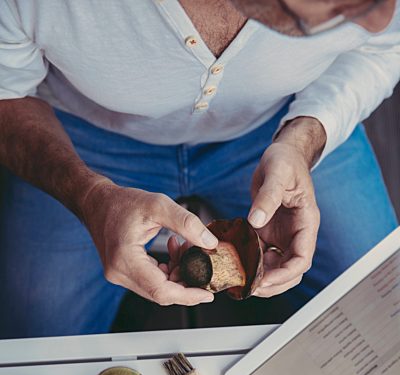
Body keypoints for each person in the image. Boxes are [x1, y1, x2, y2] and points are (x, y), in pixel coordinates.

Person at [0, 0, 398, 338]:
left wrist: (303, 140)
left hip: (284, 125)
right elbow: (6, 93)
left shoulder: (381, 8)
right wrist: (89, 197)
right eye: (346, 7)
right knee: (32, 329)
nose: (381, 18)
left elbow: (382, 46)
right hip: (84, 139)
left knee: (384, 309)